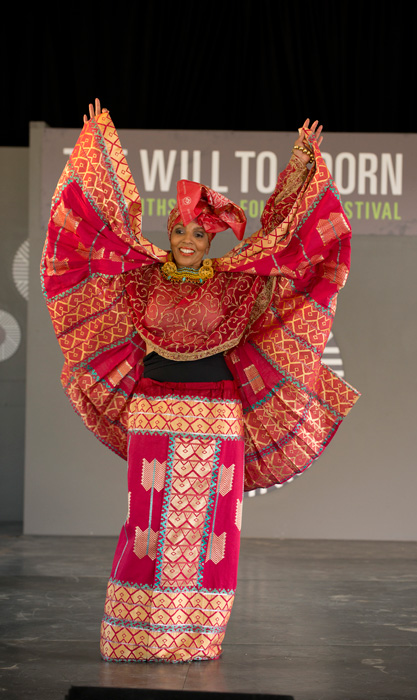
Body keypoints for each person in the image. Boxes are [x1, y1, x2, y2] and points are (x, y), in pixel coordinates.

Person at [42, 99, 359, 663]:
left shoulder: (239, 284)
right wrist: (98, 143)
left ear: (211, 240)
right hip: (154, 411)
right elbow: (90, 235)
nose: (187, 239)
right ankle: (135, 635)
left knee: (212, 529)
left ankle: (196, 639)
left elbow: (290, 245)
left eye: (197, 232)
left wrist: (303, 164)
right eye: (179, 229)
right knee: (149, 520)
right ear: (171, 231)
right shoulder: (140, 276)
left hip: (217, 414)